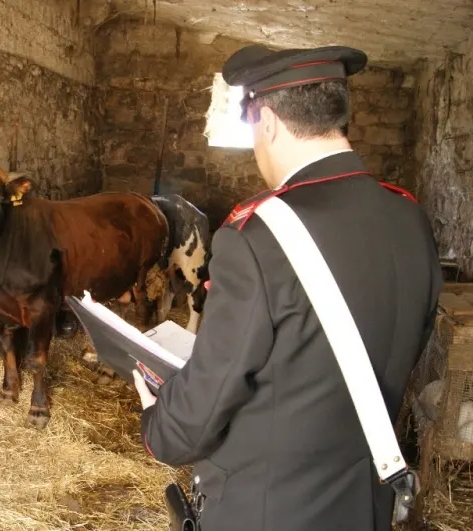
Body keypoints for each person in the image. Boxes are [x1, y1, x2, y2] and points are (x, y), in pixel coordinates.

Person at [133, 44, 444, 531]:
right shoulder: (410, 219)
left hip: (268, 510)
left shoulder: (256, 238)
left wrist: (158, 418)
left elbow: (195, 419)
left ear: (269, 122)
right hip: (366, 502)